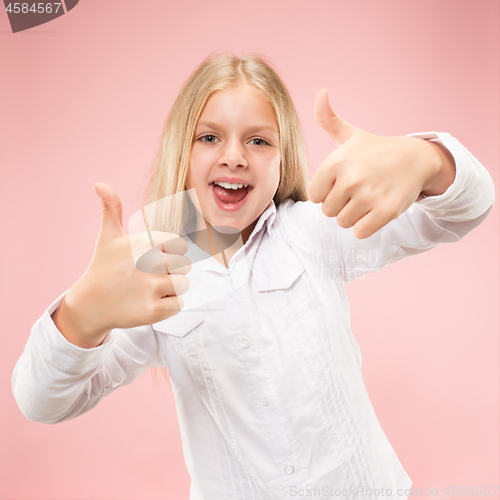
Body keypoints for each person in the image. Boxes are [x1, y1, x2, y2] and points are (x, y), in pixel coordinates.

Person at [12, 52, 495, 500]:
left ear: (283, 157)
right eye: (209, 137)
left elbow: (461, 213)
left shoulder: (312, 229)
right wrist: (78, 318)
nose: (234, 157)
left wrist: (429, 159)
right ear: (183, 147)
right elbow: (43, 403)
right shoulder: (149, 263)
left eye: (259, 140)